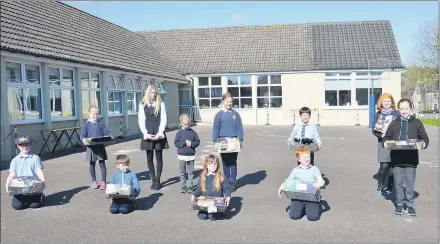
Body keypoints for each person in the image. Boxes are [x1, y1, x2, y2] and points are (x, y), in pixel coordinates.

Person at [383, 98, 429, 216]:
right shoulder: (394, 123)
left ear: (410, 109)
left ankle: (409, 205)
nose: (404, 111)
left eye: (406, 108)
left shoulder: (417, 123)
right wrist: (386, 142)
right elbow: (386, 137)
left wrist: (423, 144)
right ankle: (399, 205)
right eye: (402, 109)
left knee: (409, 183)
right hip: (397, 159)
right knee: (398, 183)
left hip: (411, 159)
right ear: (398, 109)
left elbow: (424, 138)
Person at [278, 146, 324, 221]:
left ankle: (312, 208)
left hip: (311, 197)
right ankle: (302, 209)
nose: (307, 159)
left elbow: (321, 181)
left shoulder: (314, 169)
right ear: (299, 159)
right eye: (304, 157)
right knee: (293, 216)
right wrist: (281, 187)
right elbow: (288, 181)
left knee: (312, 217)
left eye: (308, 157)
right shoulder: (295, 170)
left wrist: (318, 184)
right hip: (298, 197)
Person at [138, 84, 169, 190]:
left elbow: (164, 119)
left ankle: (158, 180)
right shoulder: (142, 104)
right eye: (152, 92)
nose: (154, 94)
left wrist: (160, 132)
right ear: (148, 93)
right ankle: (153, 179)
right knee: (149, 158)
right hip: (148, 134)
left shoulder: (161, 104)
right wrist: (145, 133)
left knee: (159, 157)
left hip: (158, 133)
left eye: (155, 93)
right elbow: (141, 120)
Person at [212, 92, 244, 192]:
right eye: (227, 101)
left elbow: (239, 127)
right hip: (223, 142)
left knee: (233, 162)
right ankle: (226, 180)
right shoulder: (219, 115)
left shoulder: (236, 114)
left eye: (230, 102)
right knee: (225, 163)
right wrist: (215, 140)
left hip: (234, 141)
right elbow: (216, 128)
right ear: (223, 102)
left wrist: (240, 138)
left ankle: (233, 181)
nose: (229, 103)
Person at [5, 136, 45, 210]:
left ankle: (40, 195)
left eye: (27, 144)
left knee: (35, 205)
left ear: (30, 145)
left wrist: (42, 181)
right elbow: (12, 174)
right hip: (20, 188)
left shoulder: (35, 158)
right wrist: (7, 184)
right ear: (18, 146)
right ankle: (22, 199)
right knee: (17, 206)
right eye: (22, 145)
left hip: (33, 187)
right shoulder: (15, 160)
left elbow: (38, 171)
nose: (24, 147)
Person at [372, 93, 400, 194]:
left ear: (391, 102)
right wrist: (381, 136)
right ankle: (381, 183)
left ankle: (390, 185)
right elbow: (374, 130)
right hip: (382, 142)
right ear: (381, 103)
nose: (387, 103)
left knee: (392, 165)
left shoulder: (397, 114)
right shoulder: (378, 114)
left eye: (388, 101)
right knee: (384, 165)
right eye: (385, 101)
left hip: (394, 142)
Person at [80, 105, 112, 190]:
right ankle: (94, 181)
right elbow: (82, 135)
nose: (95, 116)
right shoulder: (86, 125)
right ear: (89, 114)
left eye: (96, 114)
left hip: (100, 147)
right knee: (92, 164)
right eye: (93, 114)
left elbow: (107, 132)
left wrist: (109, 136)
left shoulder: (101, 123)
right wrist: (84, 140)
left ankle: (103, 182)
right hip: (91, 148)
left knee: (102, 164)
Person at [191, 155, 231, 221]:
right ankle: (204, 211)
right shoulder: (203, 176)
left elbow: (226, 188)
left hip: (216, 202)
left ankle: (220, 212)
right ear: (206, 165)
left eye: (215, 164)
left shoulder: (221, 176)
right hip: (205, 201)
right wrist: (194, 194)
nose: (213, 166)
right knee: (202, 217)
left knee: (212, 217)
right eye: (210, 164)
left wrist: (228, 196)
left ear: (218, 165)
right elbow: (199, 189)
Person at [174, 114, 200, 194]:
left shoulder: (193, 132)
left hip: (191, 155)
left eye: (188, 124)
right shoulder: (179, 133)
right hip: (182, 155)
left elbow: (198, 141)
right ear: (181, 123)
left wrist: (192, 144)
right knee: (182, 172)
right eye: (185, 124)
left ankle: (190, 186)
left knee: (190, 172)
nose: (187, 125)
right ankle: (183, 186)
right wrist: (184, 143)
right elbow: (176, 143)